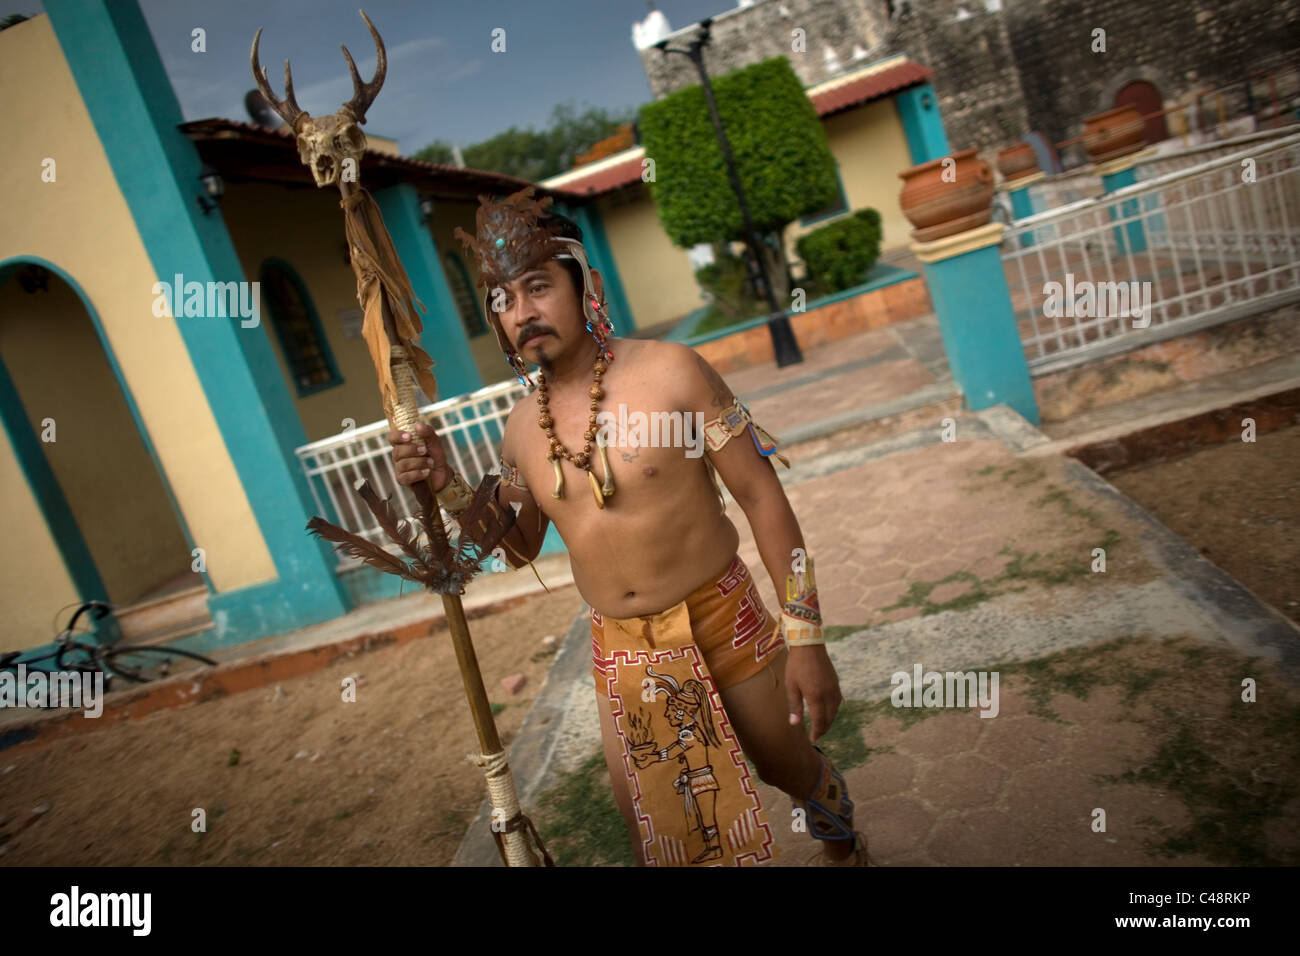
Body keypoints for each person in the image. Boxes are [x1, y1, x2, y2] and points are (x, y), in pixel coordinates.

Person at [388, 187, 867, 866]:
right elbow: (519, 543)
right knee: (658, 828)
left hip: (723, 620)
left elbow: (763, 497)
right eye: (502, 299)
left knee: (788, 767)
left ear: (586, 285)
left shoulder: (671, 373)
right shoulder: (522, 428)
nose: (522, 312)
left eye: (537, 286)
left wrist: (808, 637)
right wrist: (446, 485)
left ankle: (841, 836)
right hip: (625, 652)